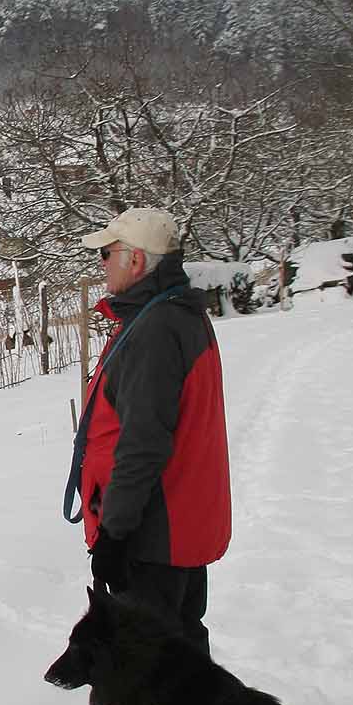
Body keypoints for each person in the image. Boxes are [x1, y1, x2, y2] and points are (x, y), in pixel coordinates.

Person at [62, 207, 229, 650]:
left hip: (153, 536)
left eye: (107, 254)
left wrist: (115, 536)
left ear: (135, 260)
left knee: (150, 665)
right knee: (179, 653)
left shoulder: (155, 331)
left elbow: (142, 444)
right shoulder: (175, 315)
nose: (101, 264)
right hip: (174, 527)